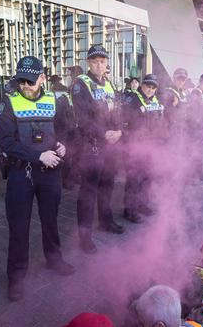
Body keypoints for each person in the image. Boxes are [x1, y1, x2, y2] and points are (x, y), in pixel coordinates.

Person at [0, 56, 74, 301]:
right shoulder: (8, 102)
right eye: (22, 81)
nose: (25, 86)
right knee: (19, 226)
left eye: (30, 82)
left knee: (50, 220)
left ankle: (54, 260)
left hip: (50, 174)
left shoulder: (55, 100)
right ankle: (16, 277)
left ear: (42, 78)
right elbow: (7, 143)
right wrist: (39, 156)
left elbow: (64, 129)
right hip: (22, 173)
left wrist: (63, 145)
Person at [71, 45, 125, 254]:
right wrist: (104, 134)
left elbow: (118, 112)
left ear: (106, 63)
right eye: (95, 61)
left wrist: (119, 131)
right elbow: (82, 118)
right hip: (91, 145)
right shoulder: (81, 84)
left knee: (107, 186)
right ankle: (84, 238)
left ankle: (106, 221)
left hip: (111, 145)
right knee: (88, 192)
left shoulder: (109, 84)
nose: (99, 64)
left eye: (102, 61)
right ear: (89, 63)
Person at [122, 74, 164, 223]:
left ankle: (142, 205)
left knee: (147, 178)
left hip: (151, 146)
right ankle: (130, 210)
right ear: (142, 85)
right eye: (148, 86)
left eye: (153, 88)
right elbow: (125, 119)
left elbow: (160, 122)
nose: (150, 90)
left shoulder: (155, 101)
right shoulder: (132, 98)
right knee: (134, 179)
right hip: (135, 146)